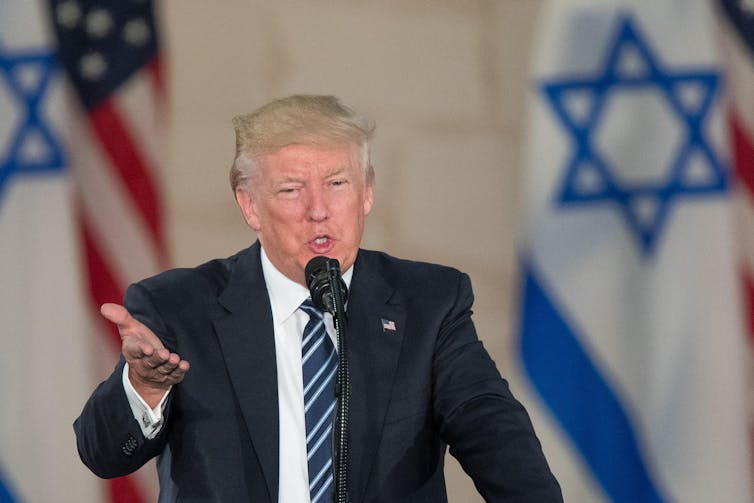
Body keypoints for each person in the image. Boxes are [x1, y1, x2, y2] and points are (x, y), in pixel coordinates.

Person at [75, 95, 562, 502]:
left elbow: (494, 431)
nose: (319, 211)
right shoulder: (178, 307)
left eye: (337, 183)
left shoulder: (428, 304)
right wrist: (143, 388)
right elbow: (102, 453)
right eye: (291, 189)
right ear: (250, 205)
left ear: (366, 192)